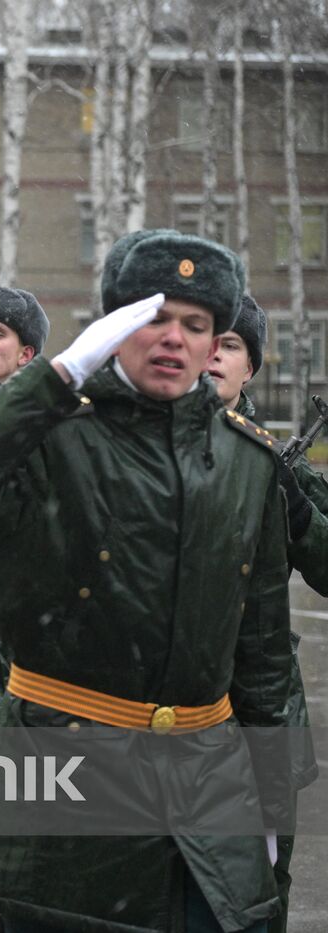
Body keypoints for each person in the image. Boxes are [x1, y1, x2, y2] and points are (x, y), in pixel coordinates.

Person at [0, 230, 293, 932]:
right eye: (155, 318)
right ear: (116, 329)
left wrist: (274, 792)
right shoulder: (50, 436)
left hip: (209, 790)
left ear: (216, 345)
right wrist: (54, 379)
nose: (174, 338)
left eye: (197, 325)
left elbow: (265, 649)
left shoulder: (250, 463)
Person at [206, 293, 320, 933]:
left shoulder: (276, 464)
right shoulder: (136, 459)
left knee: (255, 897)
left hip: (262, 719)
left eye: (230, 346)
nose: (212, 357)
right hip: (158, 715)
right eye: (204, 340)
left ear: (251, 367)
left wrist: (299, 511)